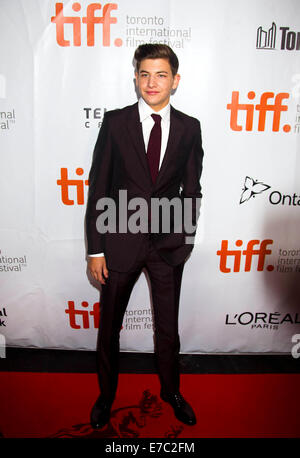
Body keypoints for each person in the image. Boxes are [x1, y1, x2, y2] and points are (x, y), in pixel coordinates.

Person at [85, 43, 204, 429]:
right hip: (119, 241)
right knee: (109, 328)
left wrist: (184, 238)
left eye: (161, 74)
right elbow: (99, 188)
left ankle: (172, 391)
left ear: (176, 81)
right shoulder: (116, 123)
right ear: (135, 77)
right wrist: (95, 250)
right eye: (145, 74)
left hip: (167, 246)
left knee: (168, 328)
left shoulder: (189, 127)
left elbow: (192, 189)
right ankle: (106, 396)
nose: (152, 82)